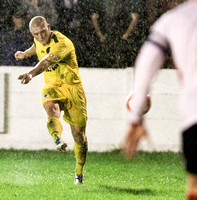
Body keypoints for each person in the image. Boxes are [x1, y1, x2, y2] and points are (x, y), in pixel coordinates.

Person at [122, 0, 197, 199]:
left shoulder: (173, 20)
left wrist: (135, 118)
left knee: (195, 187)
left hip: (194, 113)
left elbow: (146, 64)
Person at [15, 16, 88, 184]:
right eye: (36, 34)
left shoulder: (62, 43)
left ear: (49, 27)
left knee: (79, 135)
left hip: (72, 88)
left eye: (43, 32)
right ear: (32, 33)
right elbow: (36, 46)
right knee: (50, 108)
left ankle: (79, 171)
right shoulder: (38, 38)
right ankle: (57, 137)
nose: (40, 37)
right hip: (53, 85)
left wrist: (31, 73)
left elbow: (46, 61)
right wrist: (26, 54)